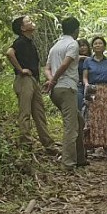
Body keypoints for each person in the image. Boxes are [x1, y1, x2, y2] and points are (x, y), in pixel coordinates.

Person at [5, 15, 57, 153]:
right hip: (24, 81)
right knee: (25, 113)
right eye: (28, 21)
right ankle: (25, 144)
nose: (32, 22)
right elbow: (9, 53)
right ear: (22, 28)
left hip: (33, 80)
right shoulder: (20, 42)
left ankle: (48, 145)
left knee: (39, 113)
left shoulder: (30, 42)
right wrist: (20, 69)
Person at [44, 16, 87, 170]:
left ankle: (80, 157)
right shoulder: (72, 44)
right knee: (71, 126)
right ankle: (68, 163)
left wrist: (50, 80)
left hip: (56, 91)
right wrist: (54, 80)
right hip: (67, 88)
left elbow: (47, 68)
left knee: (79, 121)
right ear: (76, 30)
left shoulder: (55, 46)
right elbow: (65, 64)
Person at [76, 38, 91, 111]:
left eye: (84, 45)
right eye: (80, 46)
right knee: (80, 107)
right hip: (78, 85)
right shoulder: (75, 59)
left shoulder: (93, 59)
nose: (82, 48)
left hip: (91, 86)